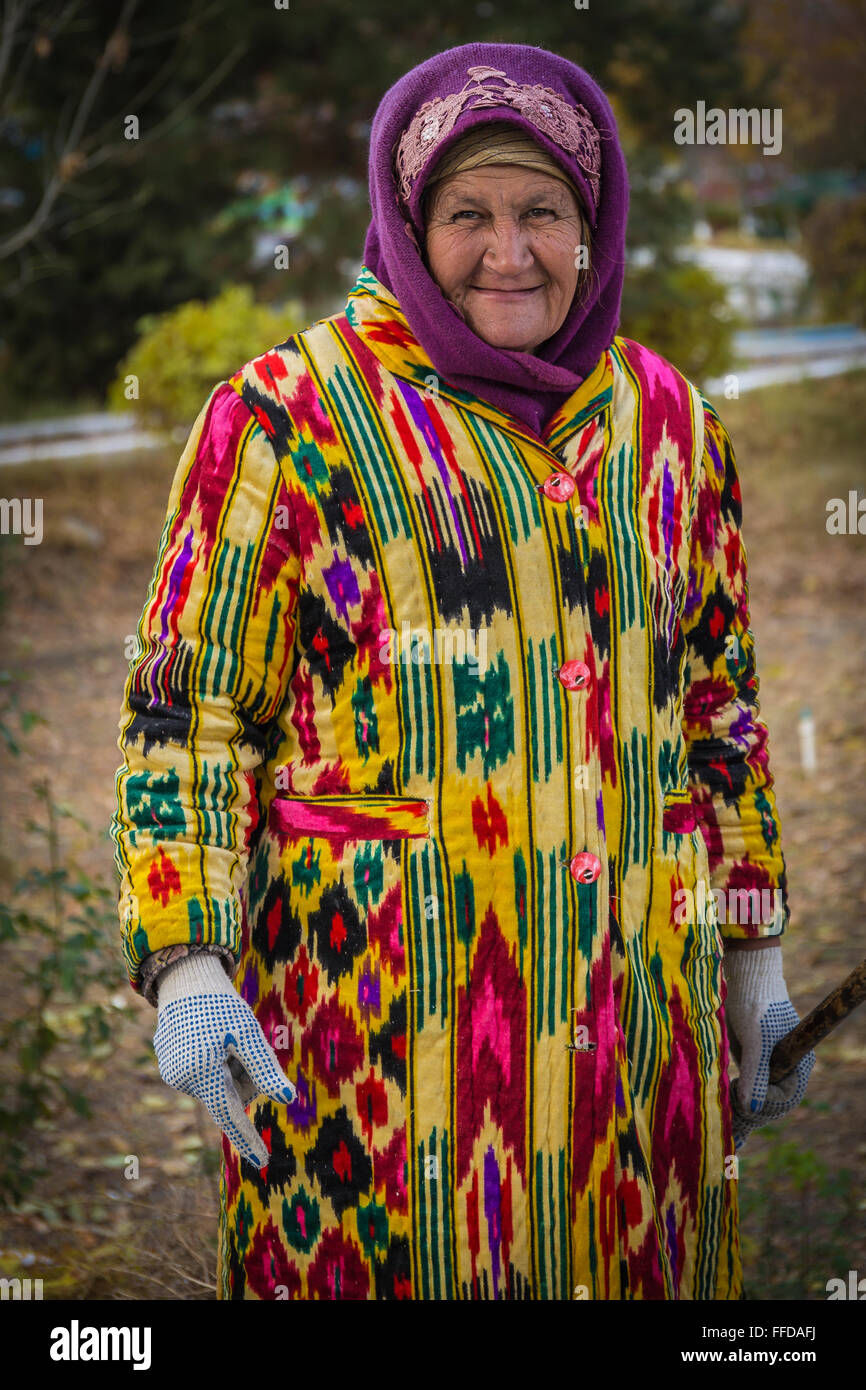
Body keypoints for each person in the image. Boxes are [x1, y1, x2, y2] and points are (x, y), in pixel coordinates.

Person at [111, 41, 815, 1301]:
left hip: (633, 1043)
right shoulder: (286, 418)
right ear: (404, 220)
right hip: (375, 1063)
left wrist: (752, 962)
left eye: (542, 211)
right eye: (467, 215)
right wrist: (187, 960)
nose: (509, 252)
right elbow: (187, 715)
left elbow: (717, 703)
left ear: (592, 228)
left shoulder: (668, 426)